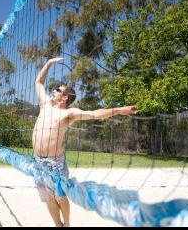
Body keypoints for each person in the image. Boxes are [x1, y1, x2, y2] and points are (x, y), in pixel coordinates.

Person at [33, 57, 136, 227]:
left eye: (58, 89)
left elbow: (96, 113)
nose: (53, 90)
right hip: (38, 161)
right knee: (49, 198)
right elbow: (39, 81)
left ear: (65, 97)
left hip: (54, 163)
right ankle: (58, 225)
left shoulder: (69, 114)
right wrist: (49, 63)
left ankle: (67, 225)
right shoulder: (45, 105)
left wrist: (119, 110)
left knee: (60, 196)